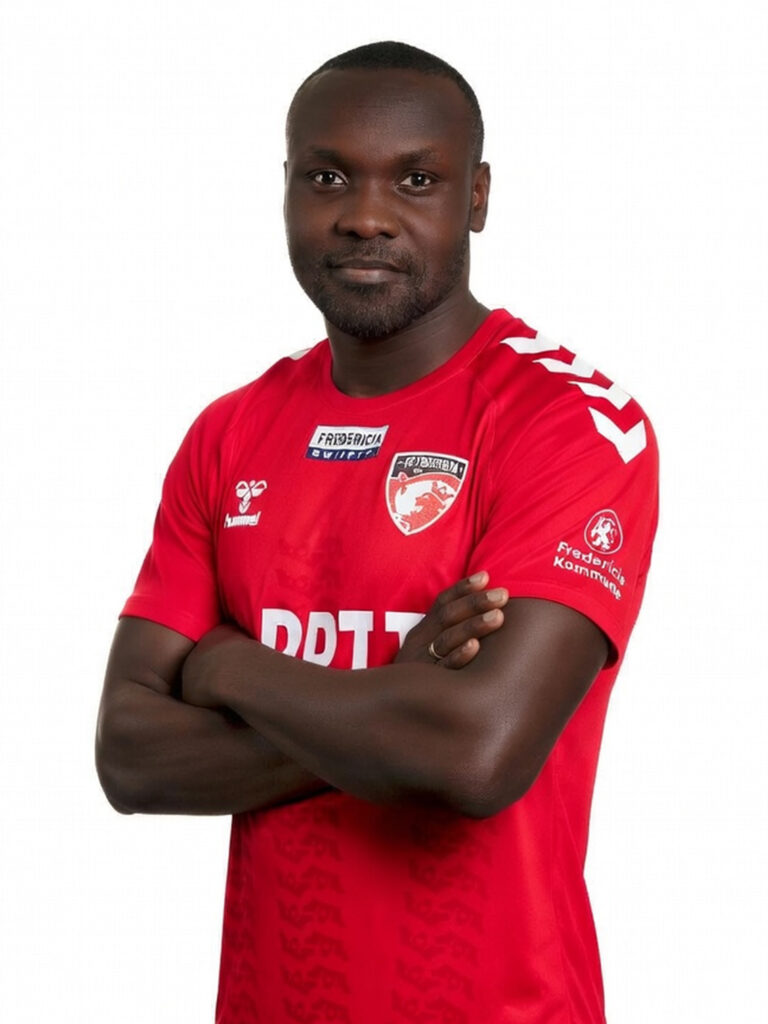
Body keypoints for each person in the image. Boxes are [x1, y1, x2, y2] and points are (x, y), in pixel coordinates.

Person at [96, 40, 658, 1024]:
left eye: (416, 179)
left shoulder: (572, 424)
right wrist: (392, 705)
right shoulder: (229, 433)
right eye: (327, 177)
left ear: (476, 197)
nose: (364, 214)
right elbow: (130, 755)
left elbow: (473, 757)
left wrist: (228, 667)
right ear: (285, 190)